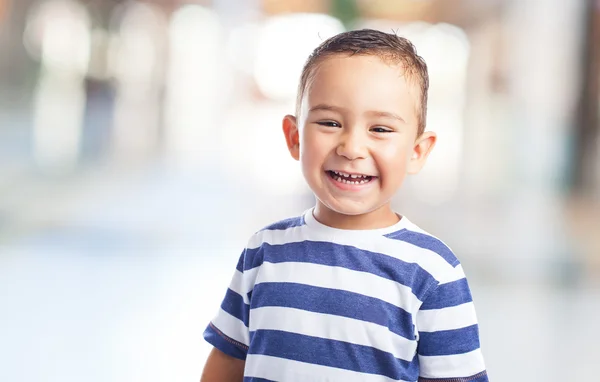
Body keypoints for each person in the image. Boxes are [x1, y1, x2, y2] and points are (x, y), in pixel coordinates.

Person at [200, 29, 488, 382]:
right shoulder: (264, 251)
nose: (351, 147)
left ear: (417, 151)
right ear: (294, 138)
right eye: (330, 123)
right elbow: (228, 361)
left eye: (380, 129)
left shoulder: (432, 271)